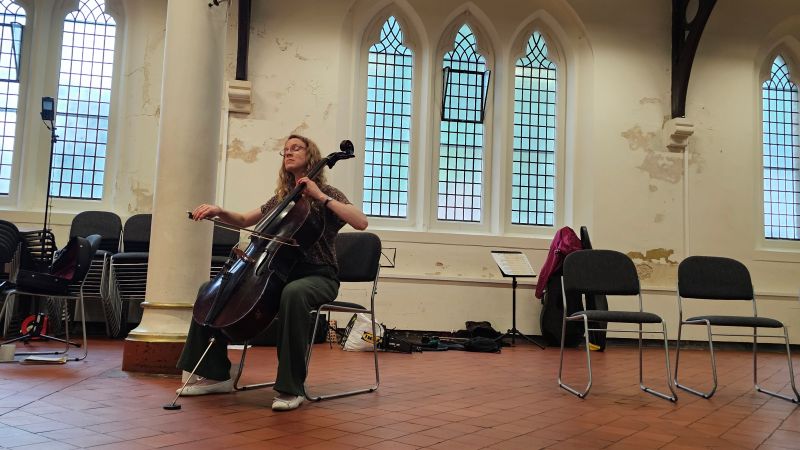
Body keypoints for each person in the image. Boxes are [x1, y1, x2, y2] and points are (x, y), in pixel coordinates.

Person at [176, 134, 368, 411]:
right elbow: (244, 219)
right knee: (211, 291)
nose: (288, 152)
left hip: (318, 275)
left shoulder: (328, 194)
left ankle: (291, 387)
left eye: (296, 148)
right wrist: (219, 211)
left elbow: (361, 222)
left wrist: (320, 196)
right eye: (285, 150)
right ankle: (215, 374)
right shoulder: (282, 198)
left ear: (311, 156)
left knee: (294, 294)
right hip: (276, 273)